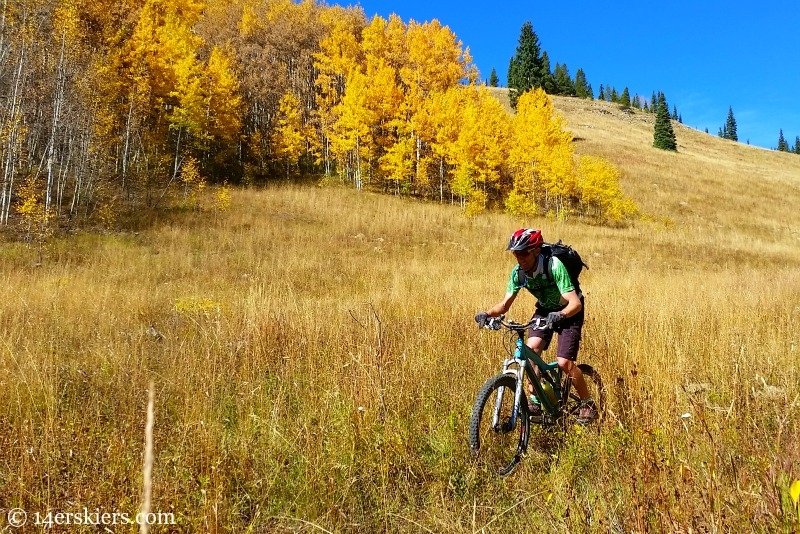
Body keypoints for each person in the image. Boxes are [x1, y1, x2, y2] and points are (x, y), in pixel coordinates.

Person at [474, 228, 597, 424]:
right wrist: (487, 314)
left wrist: (561, 315)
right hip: (545, 311)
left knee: (564, 363)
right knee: (530, 350)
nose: (519, 258)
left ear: (536, 251)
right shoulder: (519, 273)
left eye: (523, 253)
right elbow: (504, 305)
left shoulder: (553, 266)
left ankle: (587, 403)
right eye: (516, 254)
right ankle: (535, 401)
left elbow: (575, 303)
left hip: (569, 312)